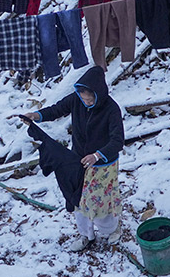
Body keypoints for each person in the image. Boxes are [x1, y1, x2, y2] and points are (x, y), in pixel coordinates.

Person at [21, 65, 125, 252]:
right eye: (83, 98)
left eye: (89, 99)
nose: (85, 102)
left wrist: (97, 155)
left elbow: (118, 141)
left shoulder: (111, 110)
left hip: (102, 164)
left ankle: (111, 229)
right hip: (78, 159)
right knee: (77, 198)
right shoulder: (76, 100)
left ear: (98, 94)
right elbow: (57, 109)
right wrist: (36, 115)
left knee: (98, 201)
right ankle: (86, 235)